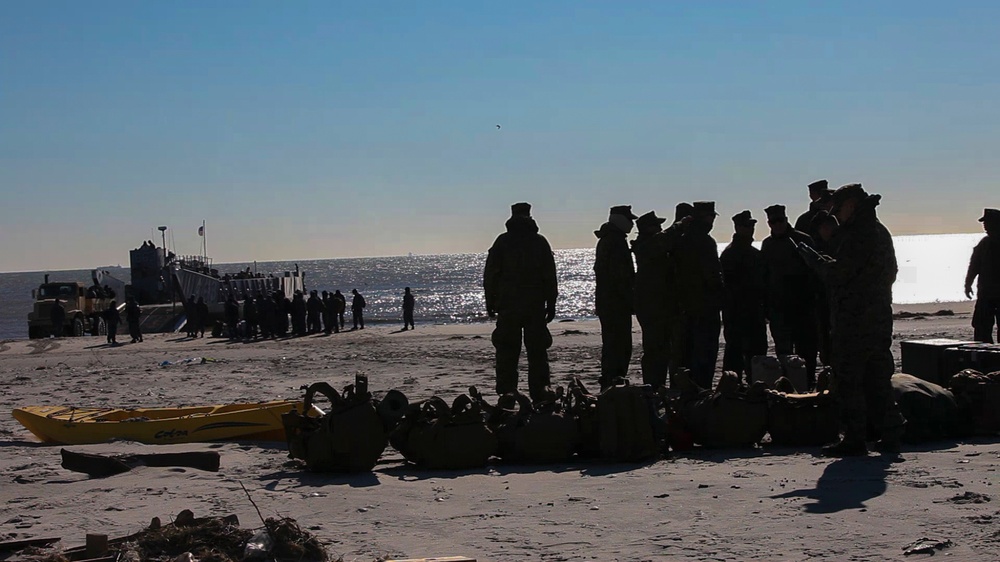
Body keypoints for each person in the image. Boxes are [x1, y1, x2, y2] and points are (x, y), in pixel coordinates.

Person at [804, 183, 905, 457]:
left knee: (849, 378)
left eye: (839, 209)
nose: (836, 215)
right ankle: (891, 431)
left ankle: (855, 438)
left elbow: (840, 275)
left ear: (851, 205)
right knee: (878, 378)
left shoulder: (859, 234)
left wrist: (817, 263)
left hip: (855, 318)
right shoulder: (878, 231)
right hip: (878, 315)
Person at [484, 202, 558, 402]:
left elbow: (490, 274)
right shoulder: (539, 241)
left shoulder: (503, 242)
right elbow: (549, 276)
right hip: (533, 305)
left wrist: (490, 301)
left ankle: (508, 391)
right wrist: (551, 303)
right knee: (536, 351)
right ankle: (539, 389)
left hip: (510, 306)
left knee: (508, 350)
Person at [761, 203, 819, 388]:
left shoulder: (802, 240)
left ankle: (808, 382)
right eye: (773, 222)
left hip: (803, 306)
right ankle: (786, 385)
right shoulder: (767, 245)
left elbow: (815, 271)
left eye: (780, 221)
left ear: (786, 220)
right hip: (779, 307)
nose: (777, 225)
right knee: (783, 352)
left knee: (807, 351)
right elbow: (764, 276)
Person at [674, 201, 724, 390]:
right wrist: (720, 296)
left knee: (689, 353)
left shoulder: (683, 238)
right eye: (710, 217)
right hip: (705, 304)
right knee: (706, 352)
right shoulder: (704, 240)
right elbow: (712, 274)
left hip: (687, 304)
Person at [631, 210, 683, 387]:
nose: (660, 228)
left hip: (657, 304)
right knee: (655, 349)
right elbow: (662, 240)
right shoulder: (647, 246)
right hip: (653, 306)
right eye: (656, 225)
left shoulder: (649, 245)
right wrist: (677, 226)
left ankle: (657, 384)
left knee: (662, 348)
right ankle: (653, 385)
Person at [719, 210, 767, 382]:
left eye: (752, 226)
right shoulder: (730, 254)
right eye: (747, 226)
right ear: (737, 228)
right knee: (735, 353)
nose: (750, 229)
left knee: (757, 353)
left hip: (754, 310)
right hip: (736, 311)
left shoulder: (754, 253)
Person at [594, 205, 637, 389]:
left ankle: (613, 379)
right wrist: (630, 298)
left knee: (614, 344)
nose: (632, 224)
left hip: (611, 302)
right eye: (629, 220)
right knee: (618, 345)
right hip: (615, 303)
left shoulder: (610, 239)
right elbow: (620, 277)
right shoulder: (615, 241)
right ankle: (614, 381)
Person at [966, 208, 1000, 343]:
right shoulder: (984, 244)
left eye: (987, 223)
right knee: (981, 327)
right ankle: (984, 357)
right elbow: (974, 265)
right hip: (985, 294)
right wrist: (968, 284)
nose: (985, 226)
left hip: (992, 294)